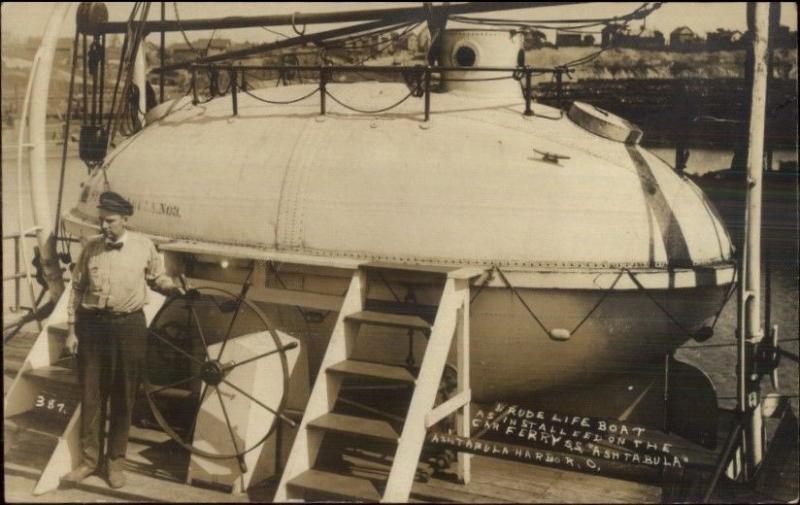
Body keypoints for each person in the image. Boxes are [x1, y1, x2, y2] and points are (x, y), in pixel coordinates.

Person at [62, 191, 185, 489]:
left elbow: (158, 279)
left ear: (125, 219)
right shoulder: (90, 249)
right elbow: (77, 290)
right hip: (92, 328)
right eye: (102, 220)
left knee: (123, 397)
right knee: (91, 397)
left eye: (110, 221)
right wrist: (71, 330)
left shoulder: (144, 246)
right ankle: (89, 462)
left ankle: (115, 464)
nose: (104, 226)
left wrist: (174, 288)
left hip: (129, 327)